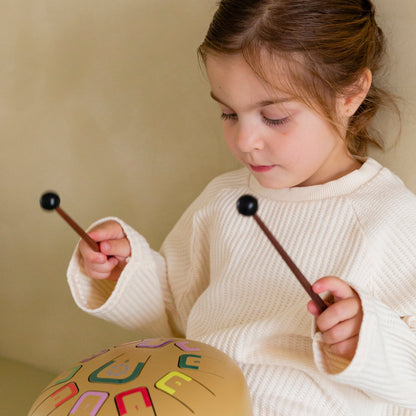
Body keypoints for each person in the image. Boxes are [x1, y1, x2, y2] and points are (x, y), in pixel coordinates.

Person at [67, 1, 416, 415]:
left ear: (350, 94)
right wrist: (125, 269)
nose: (245, 140)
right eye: (228, 113)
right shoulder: (223, 199)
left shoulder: (392, 217)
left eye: (274, 117)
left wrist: (366, 338)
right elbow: (177, 313)